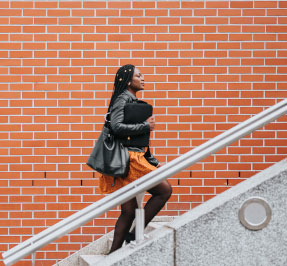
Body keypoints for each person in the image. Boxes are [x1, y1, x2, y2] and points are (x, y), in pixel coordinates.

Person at [99, 64, 172, 254]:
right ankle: (133, 235)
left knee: (129, 210)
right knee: (164, 190)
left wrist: (153, 161)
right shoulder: (123, 99)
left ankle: (113, 254)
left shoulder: (131, 100)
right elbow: (116, 127)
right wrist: (145, 126)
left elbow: (138, 141)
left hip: (132, 157)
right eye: (138, 76)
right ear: (128, 80)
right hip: (129, 160)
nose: (143, 78)